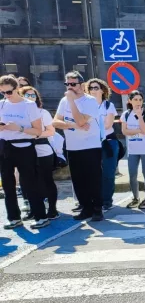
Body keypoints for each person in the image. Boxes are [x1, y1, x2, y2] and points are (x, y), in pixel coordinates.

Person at [0, 75, 50, 229]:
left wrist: (19, 128)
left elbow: (38, 131)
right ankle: (14, 218)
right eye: (2, 93)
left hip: (24, 146)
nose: (6, 96)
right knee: (8, 184)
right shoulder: (1, 105)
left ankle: (40, 216)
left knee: (30, 183)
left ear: (17, 89)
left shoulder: (29, 105)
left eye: (9, 92)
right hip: (4, 147)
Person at [54, 71, 103, 222]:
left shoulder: (90, 101)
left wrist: (72, 102)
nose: (70, 87)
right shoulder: (64, 101)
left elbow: (82, 121)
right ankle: (85, 207)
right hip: (72, 147)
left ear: (82, 85)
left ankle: (97, 209)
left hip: (90, 146)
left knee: (93, 179)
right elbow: (55, 122)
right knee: (78, 180)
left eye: (73, 84)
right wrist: (71, 125)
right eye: (67, 84)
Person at [21, 86, 60, 221]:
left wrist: (36, 134)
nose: (31, 98)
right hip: (25, 150)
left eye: (33, 96)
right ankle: (34, 209)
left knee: (46, 180)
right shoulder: (20, 113)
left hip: (43, 149)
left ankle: (53, 209)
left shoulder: (43, 113)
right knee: (29, 182)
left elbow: (51, 131)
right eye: (27, 95)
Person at [87, 78, 119, 211]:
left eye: (96, 88)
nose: (93, 90)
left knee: (108, 173)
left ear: (102, 90)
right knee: (92, 173)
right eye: (90, 88)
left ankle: (107, 200)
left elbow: (108, 125)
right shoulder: (85, 106)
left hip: (108, 142)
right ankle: (93, 200)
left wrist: (90, 125)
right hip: (90, 143)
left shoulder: (108, 106)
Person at [121, 90, 145, 209]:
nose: (138, 102)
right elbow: (124, 131)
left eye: (140, 99)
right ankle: (135, 198)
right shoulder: (126, 114)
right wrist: (139, 130)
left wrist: (140, 116)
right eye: (135, 99)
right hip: (133, 149)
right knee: (132, 174)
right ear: (130, 101)